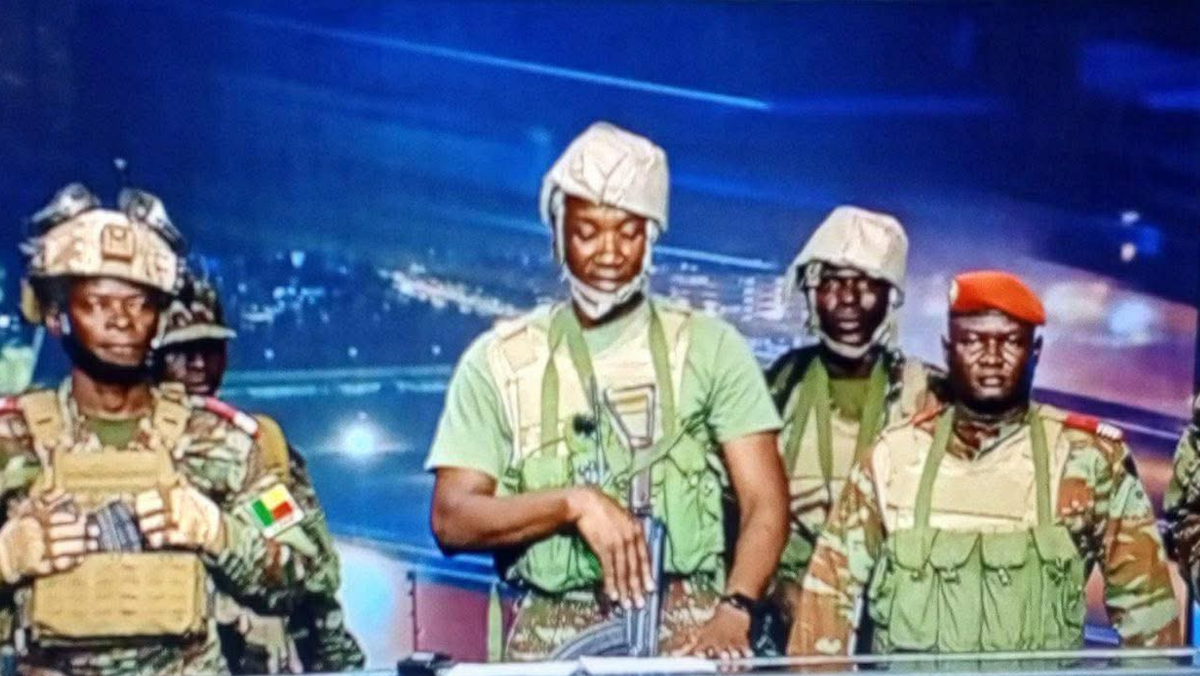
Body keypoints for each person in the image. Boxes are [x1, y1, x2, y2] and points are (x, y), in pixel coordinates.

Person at [426, 122, 789, 660]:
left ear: (651, 236)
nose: (609, 252)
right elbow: (452, 518)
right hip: (551, 628)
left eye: (628, 232)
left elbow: (765, 500)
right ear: (558, 236)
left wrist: (736, 607)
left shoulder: (711, 348)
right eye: (587, 231)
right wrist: (572, 504)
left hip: (689, 623)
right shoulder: (499, 362)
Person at [0, 183, 335, 675]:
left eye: (140, 304)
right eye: (98, 302)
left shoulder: (225, 443)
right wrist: (7, 558)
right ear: (56, 316)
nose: (122, 321)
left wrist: (219, 534)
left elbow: (307, 571)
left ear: (159, 318)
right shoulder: (11, 442)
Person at [788, 270, 1180, 655]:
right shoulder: (892, 457)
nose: (991, 357)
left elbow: (1149, 621)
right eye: (973, 341)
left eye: (1010, 341)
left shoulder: (1090, 460)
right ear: (947, 350)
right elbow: (824, 604)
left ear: (1035, 352)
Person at [154, 277, 365, 673]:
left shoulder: (254, 446)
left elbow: (309, 571)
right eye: (181, 351)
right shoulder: (112, 449)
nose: (199, 364)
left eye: (211, 349)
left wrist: (333, 659)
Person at [766, 206, 940, 629]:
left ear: (890, 296)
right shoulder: (782, 385)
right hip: (786, 610)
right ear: (812, 293)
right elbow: (738, 505)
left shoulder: (925, 393)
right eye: (833, 282)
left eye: (866, 284)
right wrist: (774, 588)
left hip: (892, 611)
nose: (848, 298)